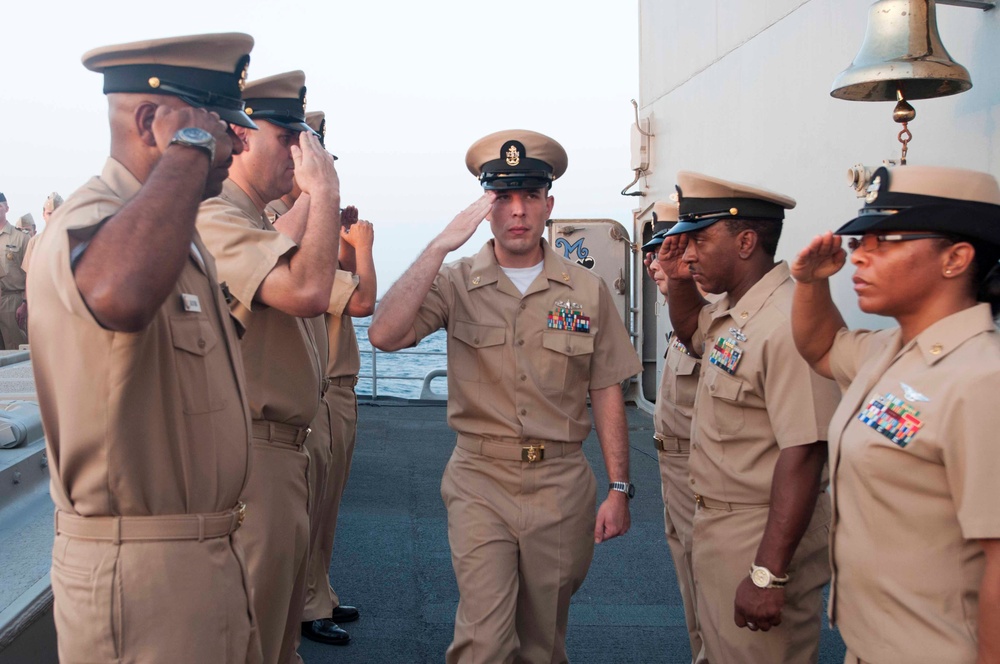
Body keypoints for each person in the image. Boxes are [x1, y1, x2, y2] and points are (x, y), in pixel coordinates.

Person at [27, 32, 261, 664]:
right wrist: (188, 150)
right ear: (153, 121)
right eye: (218, 124)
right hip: (139, 578)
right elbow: (118, 293)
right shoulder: (92, 220)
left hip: (208, 557)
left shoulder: (176, 235)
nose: (237, 141)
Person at [368, 129, 642, 663]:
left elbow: (606, 385)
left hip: (562, 485)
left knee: (541, 644)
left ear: (549, 205)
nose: (518, 211)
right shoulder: (454, 282)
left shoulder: (586, 291)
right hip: (480, 480)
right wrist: (442, 244)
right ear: (485, 208)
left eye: (530, 196)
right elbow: (384, 334)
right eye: (503, 198)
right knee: (486, 642)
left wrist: (619, 487)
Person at [789, 165, 1000, 664]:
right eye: (862, 241)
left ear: (955, 258)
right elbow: (821, 348)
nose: (859, 255)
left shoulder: (980, 380)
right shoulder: (891, 352)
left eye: (885, 241)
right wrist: (810, 283)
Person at [657, 171, 840, 663]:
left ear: (745, 241)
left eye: (699, 239)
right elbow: (693, 331)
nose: (688, 252)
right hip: (718, 526)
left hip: (760, 533)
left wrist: (767, 573)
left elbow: (805, 451)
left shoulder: (786, 323)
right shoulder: (735, 314)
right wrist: (678, 280)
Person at [196, 70, 341, 664]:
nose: (301, 152)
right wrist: (323, 193)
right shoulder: (214, 216)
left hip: (284, 455)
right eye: (287, 137)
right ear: (241, 134)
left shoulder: (255, 222)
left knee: (278, 643)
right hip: (252, 460)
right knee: (251, 641)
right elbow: (308, 291)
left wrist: (311, 200)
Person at [266, 110, 377, 648]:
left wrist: (344, 238)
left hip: (332, 383)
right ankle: (306, 607)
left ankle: (319, 593)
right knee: (306, 509)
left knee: (325, 505)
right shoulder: (277, 222)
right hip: (310, 392)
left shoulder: (311, 221)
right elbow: (361, 299)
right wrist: (362, 246)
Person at [641, 201, 706, 664]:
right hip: (675, 475)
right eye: (651, 254)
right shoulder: (680, 319)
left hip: (705, 480)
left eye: (665, 252)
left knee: (714, 602)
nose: (653, 264)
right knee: (694, 597)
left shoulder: (717, 323)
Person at [18, 192, 59, 330]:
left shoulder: (73, 239)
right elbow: (29, 276)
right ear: (43, 215)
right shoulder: (34, 242)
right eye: (49, 213)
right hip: (41, 303)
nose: (53, 217)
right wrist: (25, 303)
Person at [0, 192, 29, 348]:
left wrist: (25, 303)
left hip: (13, 302)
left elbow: (31, 274)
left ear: (6, 208)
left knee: (15, 351)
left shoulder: (21, 238)